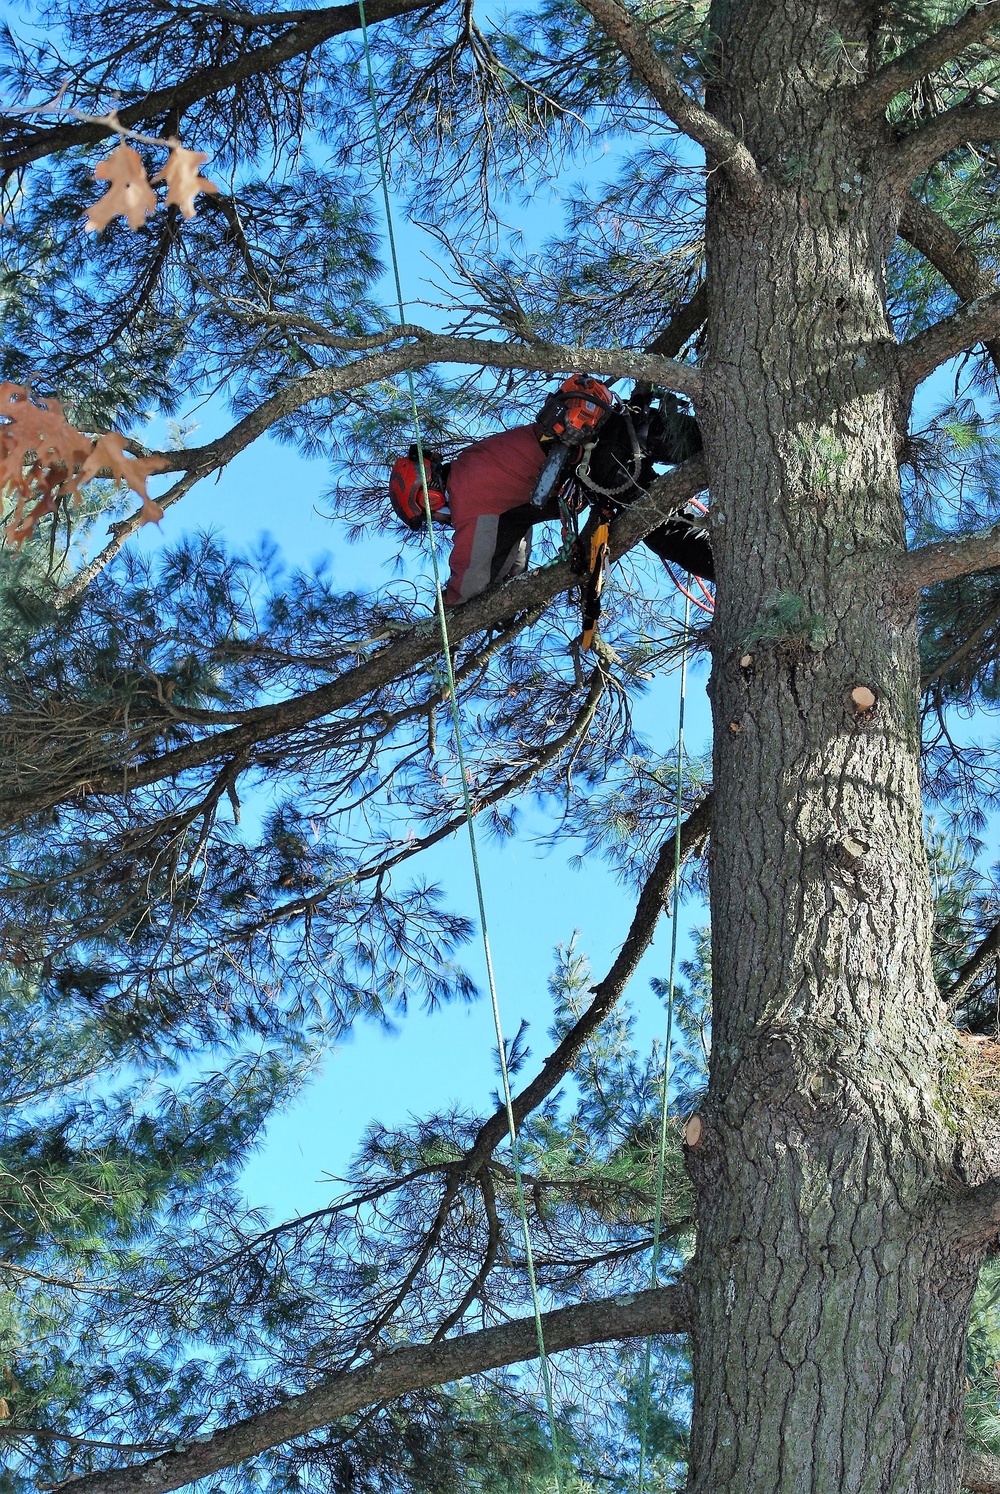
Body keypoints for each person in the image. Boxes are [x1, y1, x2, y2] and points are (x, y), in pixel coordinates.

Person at [387, 379, 712, 606]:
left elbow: (473, 572)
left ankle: (746, 573)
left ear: (429, 501)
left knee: (672, 537)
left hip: (602, 463)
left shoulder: (466, 492)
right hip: (620, 427)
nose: (444, 521)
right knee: (718, 441)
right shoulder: (475, 466)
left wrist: (448, 607)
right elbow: (512, 541)